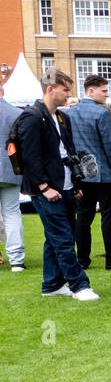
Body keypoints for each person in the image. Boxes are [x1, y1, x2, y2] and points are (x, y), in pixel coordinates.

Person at [14, 69, 97, 300]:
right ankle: (79, 285)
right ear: (51, 89)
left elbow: (68, 151)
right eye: (65, 89)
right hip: (47, 189)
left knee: (56, 237)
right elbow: (31, 157)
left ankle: (51, 285)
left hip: (66, 184)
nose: (69, 94)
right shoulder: (31, 117)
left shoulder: (62, 117)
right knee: (63, 239)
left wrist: (77, 182)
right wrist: (43, 187)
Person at [62, 74, 111, 270]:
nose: (107, 95)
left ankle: (82, 259)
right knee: (109, 218)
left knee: (83, 217)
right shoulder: (101, 114)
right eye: (104, 90)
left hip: (82, 174)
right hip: (105, 174)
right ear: (90, 91)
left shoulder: (69, 113)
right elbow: (110, 147)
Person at [0, 81, 26, 272]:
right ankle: (16, 259)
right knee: (12, 213)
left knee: (11, 213)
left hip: (10, 168)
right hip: (11, 168)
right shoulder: (16, 113)